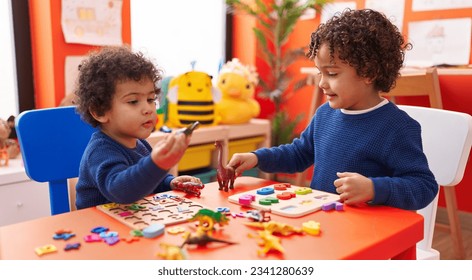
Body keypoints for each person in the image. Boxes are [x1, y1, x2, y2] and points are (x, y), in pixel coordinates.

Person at [227, 9, 438, 210]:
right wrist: (257, 158)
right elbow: (299, 153)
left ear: (369, 73)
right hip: (323, 224)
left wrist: (374, 189)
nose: (322, 83)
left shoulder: (397, 127)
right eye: (320, 73)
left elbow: (423, 186)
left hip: (367, 233)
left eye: (332, 74)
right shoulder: (325, 115)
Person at [74, 46, 201, 210]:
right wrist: (156, 164)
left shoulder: (140, 144)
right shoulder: (100, 151)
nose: (148, 109)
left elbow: (145, 184)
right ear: (100, 111)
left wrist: (169, 182)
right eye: (133, 101)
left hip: (130, 224)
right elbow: (122, 192)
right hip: (97, 230)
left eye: (150, 99)